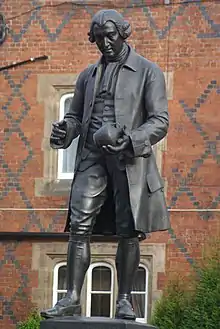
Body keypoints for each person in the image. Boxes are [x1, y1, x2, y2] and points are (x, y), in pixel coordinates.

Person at [41, 9, 170, 320]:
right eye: (99, 39)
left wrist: (131, 139)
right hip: (92, 158)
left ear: (123, 33)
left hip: (128, 160)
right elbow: (75, 118)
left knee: (129, 231)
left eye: (110, 36)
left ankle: (124, 299)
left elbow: (160, 121)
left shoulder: (148, 71)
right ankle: (71, 297)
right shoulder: (87, 75)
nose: (105, 43)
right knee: (78, 226)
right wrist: (65, 131)